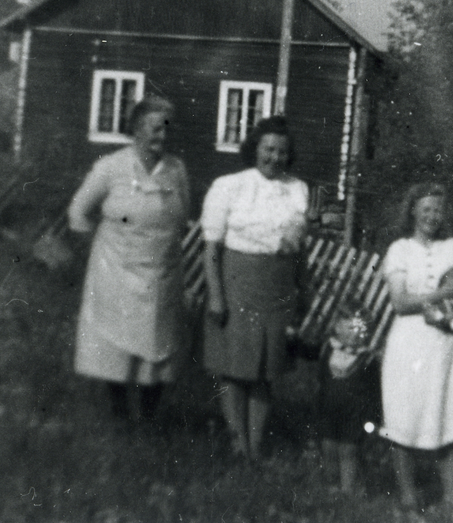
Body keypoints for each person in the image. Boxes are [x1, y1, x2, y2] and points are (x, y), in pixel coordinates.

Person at [67, 95, 191, 423]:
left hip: (162, 271)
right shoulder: (110, 167)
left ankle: (149, 418)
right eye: (153, 130)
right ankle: (119, 413)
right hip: (115, 270)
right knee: (115, 344)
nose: (161, 137)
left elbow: (183, 217)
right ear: (135, 129)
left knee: (158, 343)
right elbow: (78, 212)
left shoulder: (176, 170)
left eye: (166, 130)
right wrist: (96, 250)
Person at [201, 116, 310, 461]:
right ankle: (237, 443)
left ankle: (256, 446)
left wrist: (302, 294)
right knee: (234, 368)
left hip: (277, 286)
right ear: (255, 149)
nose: (274, 157)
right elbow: (211, 249)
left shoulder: (298, 189)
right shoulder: (228, 185)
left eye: (282, 151)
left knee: (265, 370)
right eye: (268, 149)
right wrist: (216, 296)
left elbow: (299, 250)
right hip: (236, 282)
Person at [379, 183, 453, 523]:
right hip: (409, 344)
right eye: (426, 209)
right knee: (404, 418)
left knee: (450, 419)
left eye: (438, 209)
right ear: (412, 212)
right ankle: (407, 502)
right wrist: (441, 294)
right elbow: (400, 302)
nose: (433, 216)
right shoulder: (400, 249)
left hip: (444, 346)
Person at [315, 301, 381, 496]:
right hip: (328, 409)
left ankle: (348, 489)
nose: (356, 334)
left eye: (362, 330)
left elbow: (374, 390)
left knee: (348, 450)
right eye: (351, 327)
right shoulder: (328, 350)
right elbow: (321, 379)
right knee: (328, 447)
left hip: (355, 414)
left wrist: (375, 419)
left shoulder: (367, 359)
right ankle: (331, 484)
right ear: (337, 327)